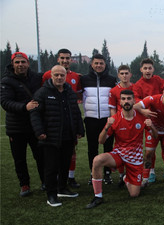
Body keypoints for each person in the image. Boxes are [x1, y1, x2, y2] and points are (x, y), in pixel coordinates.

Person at [86, 90, 158, 209]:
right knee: (97, 160)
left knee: (134, 194)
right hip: (119, 154)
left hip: (136, 157)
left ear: (134, 101)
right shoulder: (115, 118)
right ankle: (98, 196)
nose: (126, 101)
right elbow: (101, 141)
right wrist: (107, 127)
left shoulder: (141, 117)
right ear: (120, 102)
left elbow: (155, 136)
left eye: (129, 99)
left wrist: (152, 126)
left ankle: (125, 177)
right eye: (123, 99)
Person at [30, 65, 85, 207]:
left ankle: (62, 188)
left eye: (62, 75)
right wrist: (39, 131)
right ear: (51, 76)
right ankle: (51, 195)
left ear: (66, 76)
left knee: (65, 164)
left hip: (68, 136)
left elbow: (76, 112)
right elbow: (35, 114)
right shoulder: (42, 92)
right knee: (51, 167)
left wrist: (80, 129)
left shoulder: (69, 92)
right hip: (50, 137)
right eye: (56, 75)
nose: (59, 77)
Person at [1, 52, 45, 197]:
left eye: (23, 62)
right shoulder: (6, 81)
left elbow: (50, 75)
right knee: (19, 158)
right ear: (13, 64)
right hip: (16, 127)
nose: (20, 65)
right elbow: (5, 102)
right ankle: (24, 184)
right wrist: (24, 107)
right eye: (17, 62)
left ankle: (45, 181)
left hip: (35, 125)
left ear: (28, 63)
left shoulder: (36, 77)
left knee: (40, 155)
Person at [42, 48, 82, 188]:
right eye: (62, 58)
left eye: (67, 58)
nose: (65, 61)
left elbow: (78, 97)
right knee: (53, 154)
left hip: (69, 119)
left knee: (71, 150)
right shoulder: (47, 74)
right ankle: (54, 181)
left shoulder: (76, 76)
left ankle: (69, 178)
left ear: (71, 60)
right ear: (58, 59)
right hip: (53, 120)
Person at [133, 82, 164, 189]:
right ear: (163, 92)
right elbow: (135, 106)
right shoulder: (152, 99)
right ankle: (145, 179)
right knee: (148, 154)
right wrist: (143, 111)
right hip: (153, 129)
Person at [81, 54, 117, 185]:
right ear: (92, 64)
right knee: (92, 148)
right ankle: (94, 174)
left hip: (107, 119)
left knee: (108, 147)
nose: (98, 65)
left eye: (101, 63)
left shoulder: (112, 80)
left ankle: (107, 174)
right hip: (91, 119)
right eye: (96, 63)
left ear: (105, 65)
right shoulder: (84, 79)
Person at [132, 58, 164, 182]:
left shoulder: (158, 80)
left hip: (163, 119)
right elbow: (135, 103)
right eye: (145, 68)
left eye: (150, 68)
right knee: (149, 150)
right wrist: (143, 111)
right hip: (148, 121)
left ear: (153, 69)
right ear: (141, 69)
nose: (147, 70)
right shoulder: (137, 85)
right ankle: (151, 171)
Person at [108, 65, 135, 187]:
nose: (124, 76)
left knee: (134, 147)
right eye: (122, 73)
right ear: (118, 75)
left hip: (134, 122)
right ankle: (121, 175)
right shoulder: (113, 91)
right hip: (120, 122)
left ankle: (132, 173)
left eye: (126, 73)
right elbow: (113, 108)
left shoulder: (135, 88)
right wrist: (115, 122)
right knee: (120, 147)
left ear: (130, 74)